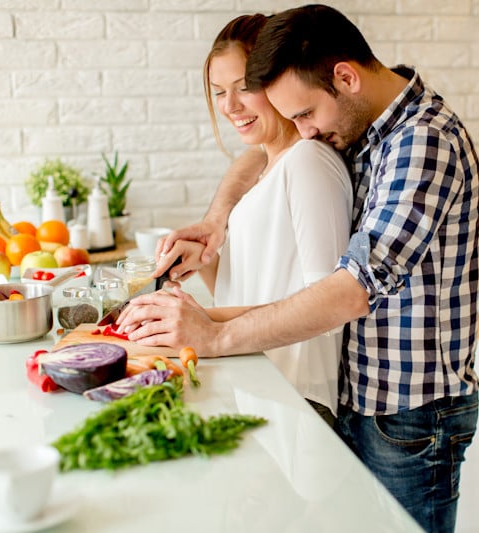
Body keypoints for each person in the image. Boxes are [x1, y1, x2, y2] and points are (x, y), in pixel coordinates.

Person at [117, 5, 479, 532]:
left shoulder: (420, 142)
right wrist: (216, 228)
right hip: (366, 400)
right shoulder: (367, 125)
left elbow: (347, 293)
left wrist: (213, 334)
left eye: (304, 112)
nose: (303, 128)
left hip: (409, 412)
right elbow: (266, 162)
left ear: (345, 78)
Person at [159, 13, 353, 424]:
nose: (230, 106)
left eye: (244, 87)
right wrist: (204, 260)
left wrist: (203, 323)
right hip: (258, 385)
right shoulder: (267, 168)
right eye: (218, 92)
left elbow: (327, 309)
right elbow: (244, 285)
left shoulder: (309, 162)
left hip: (298, 396)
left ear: (277, 80)